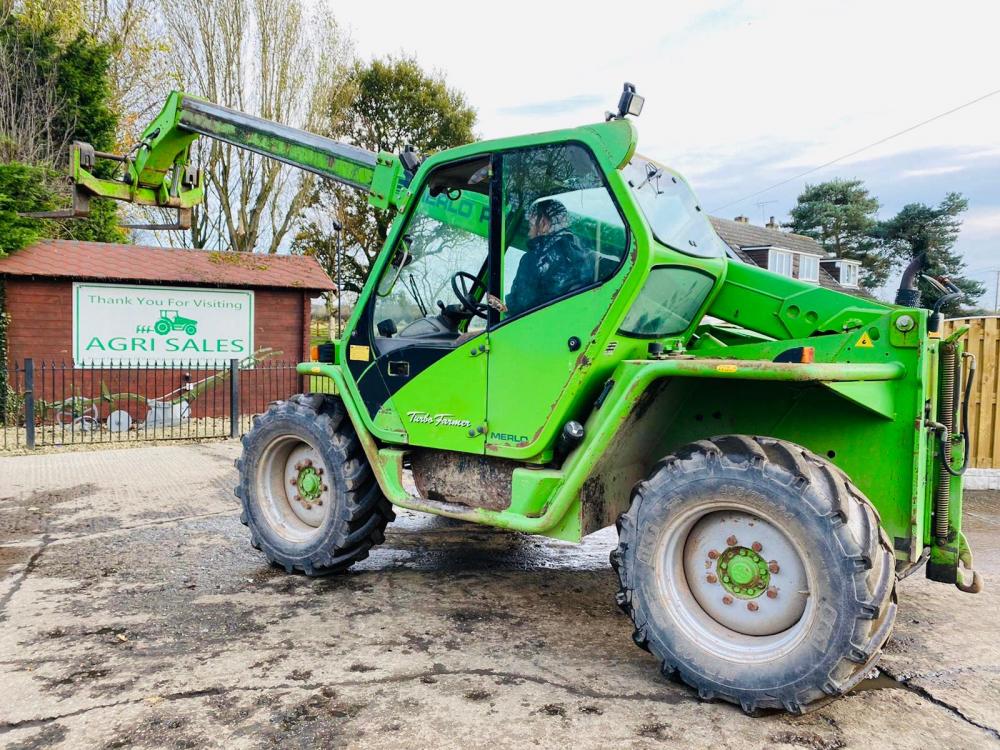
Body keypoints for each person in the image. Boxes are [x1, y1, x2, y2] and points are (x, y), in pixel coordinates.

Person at [505, 199, 594, 316]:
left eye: (531, 226)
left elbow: (521, 305)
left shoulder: (536, 258)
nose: (529, 233)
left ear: (543, 223)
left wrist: (505, 306)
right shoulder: (582, 256)